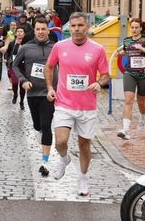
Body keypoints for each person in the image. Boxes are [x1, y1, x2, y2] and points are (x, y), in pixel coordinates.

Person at [44, 12, 110, 197]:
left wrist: (99, 82)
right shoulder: (59, 46)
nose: (77, 29)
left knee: (84, 144)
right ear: (69, 28)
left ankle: (82, 178)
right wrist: (50, 87)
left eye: (80, 25)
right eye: (73, 26)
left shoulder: (97, 49)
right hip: (64, 103)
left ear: (87, 27)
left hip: (87, 106)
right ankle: (64, 160)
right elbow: (49, 66)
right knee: (61, 141)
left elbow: (105, 75)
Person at [12, 17, 56, 176]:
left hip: (49, 93)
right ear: (34, 30)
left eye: (43, 29)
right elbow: (15, 65)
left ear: (48, 30)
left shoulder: (55, 48)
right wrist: (23, 80)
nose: (41, 32)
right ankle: (42, 140)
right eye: (38, 29)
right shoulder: (26, 47)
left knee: (46, 125)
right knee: (37, 125)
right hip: (32, 93)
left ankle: (45, 162)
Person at [115, 18, 145, 140]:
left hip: (144, 74)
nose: (134, 30)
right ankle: (125, 129)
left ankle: (143, 117)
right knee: (129, 100)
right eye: (132, 27)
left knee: (141, 101)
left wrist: (143, 49)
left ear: (140, 28)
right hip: (130, 73)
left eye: (136, 27)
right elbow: (126, 50)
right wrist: (119, 53)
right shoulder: (127, 40)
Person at [4, 26, 27, 110]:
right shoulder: (12, 43)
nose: (19, 33)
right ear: (16, 33)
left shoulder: (27, 44)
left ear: (24, 34)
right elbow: (7, 52)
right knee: (14, 82)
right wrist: (6, 59)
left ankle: (21, 101)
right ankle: (15, 94)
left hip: (23, 67)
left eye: (21, 31)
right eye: (18, 31)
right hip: (14, 66)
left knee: (22, 85)